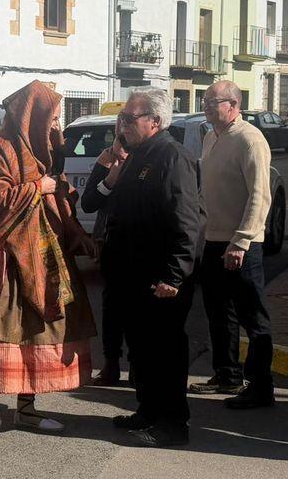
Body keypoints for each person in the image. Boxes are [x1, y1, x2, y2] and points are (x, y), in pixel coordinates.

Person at [0, 80, 95, 433]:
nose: (57, 124)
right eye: (54, 117)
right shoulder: (3, 148)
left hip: (43, 251)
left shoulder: (45, 148)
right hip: (4, 251)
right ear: (35, 116)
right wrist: (37, 188)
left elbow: (55, 185)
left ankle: (28, 407)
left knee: (37, 331)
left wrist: (60, 190)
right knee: (0, 330)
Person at [82, 89, 202, 447]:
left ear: (155, 121)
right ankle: (148, 411)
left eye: (129, 118)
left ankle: (172, 425)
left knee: (165, 353)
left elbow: (186, 221)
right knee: (142, 351)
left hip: (158, 277)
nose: (123, 124)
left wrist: (174, 274)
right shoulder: (135, 155)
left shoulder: (171, 157)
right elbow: (99, 203)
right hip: (130, 276)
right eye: (122, 117)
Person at [190, 81, 275, 409]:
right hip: (214, 240)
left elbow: (260, 195)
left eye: (213, 101)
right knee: (218, 312)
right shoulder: (211, 136)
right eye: (205, 100)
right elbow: (208, 187)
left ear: (234, 105)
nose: (206, 105)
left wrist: (241, 241)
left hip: (242, 245)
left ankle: (260, 386)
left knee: (253, 317)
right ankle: (226, 374)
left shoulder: (250, 139)